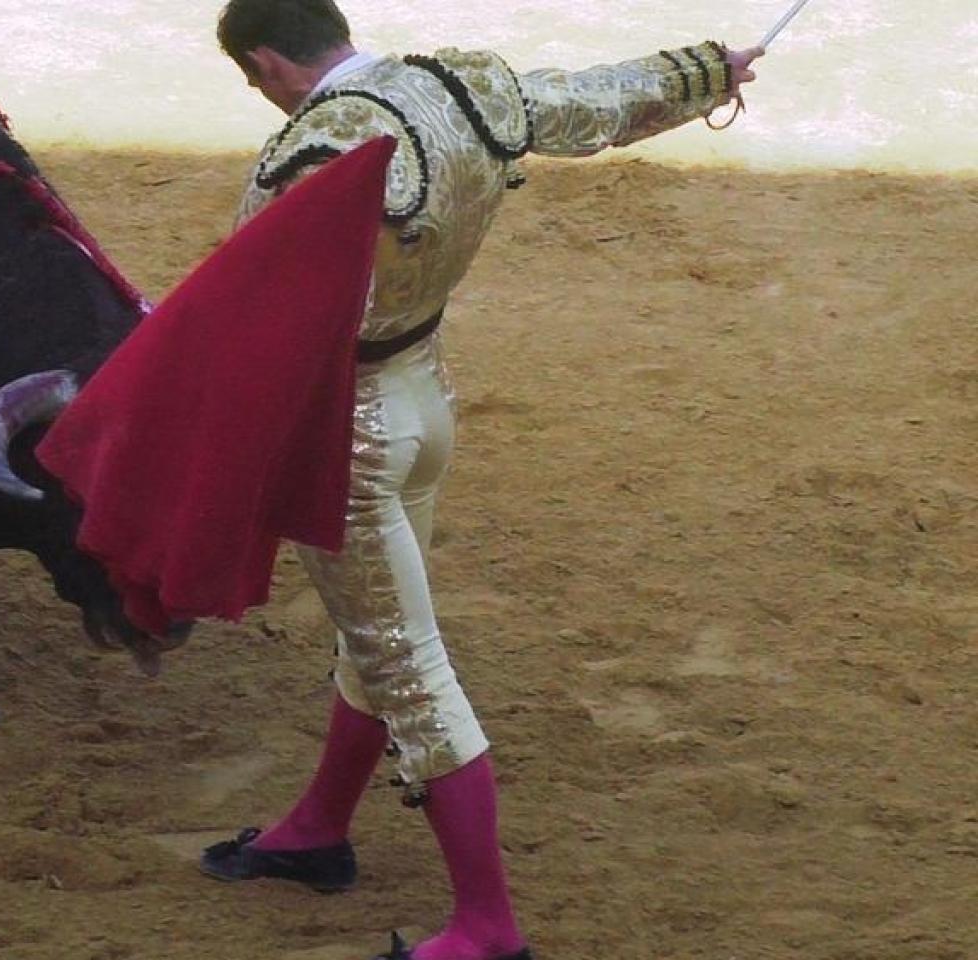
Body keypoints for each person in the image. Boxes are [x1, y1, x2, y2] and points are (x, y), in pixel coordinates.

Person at [195, 3, 764, 959]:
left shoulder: (319, 146)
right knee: (378, 639)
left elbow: (251, 313)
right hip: (428, 401)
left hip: (354, 438)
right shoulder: (464, 84)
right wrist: (708, 69)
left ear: (265, 62)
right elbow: (594, 102)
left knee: (410, 671)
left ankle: (488, 930)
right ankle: (317, 832)